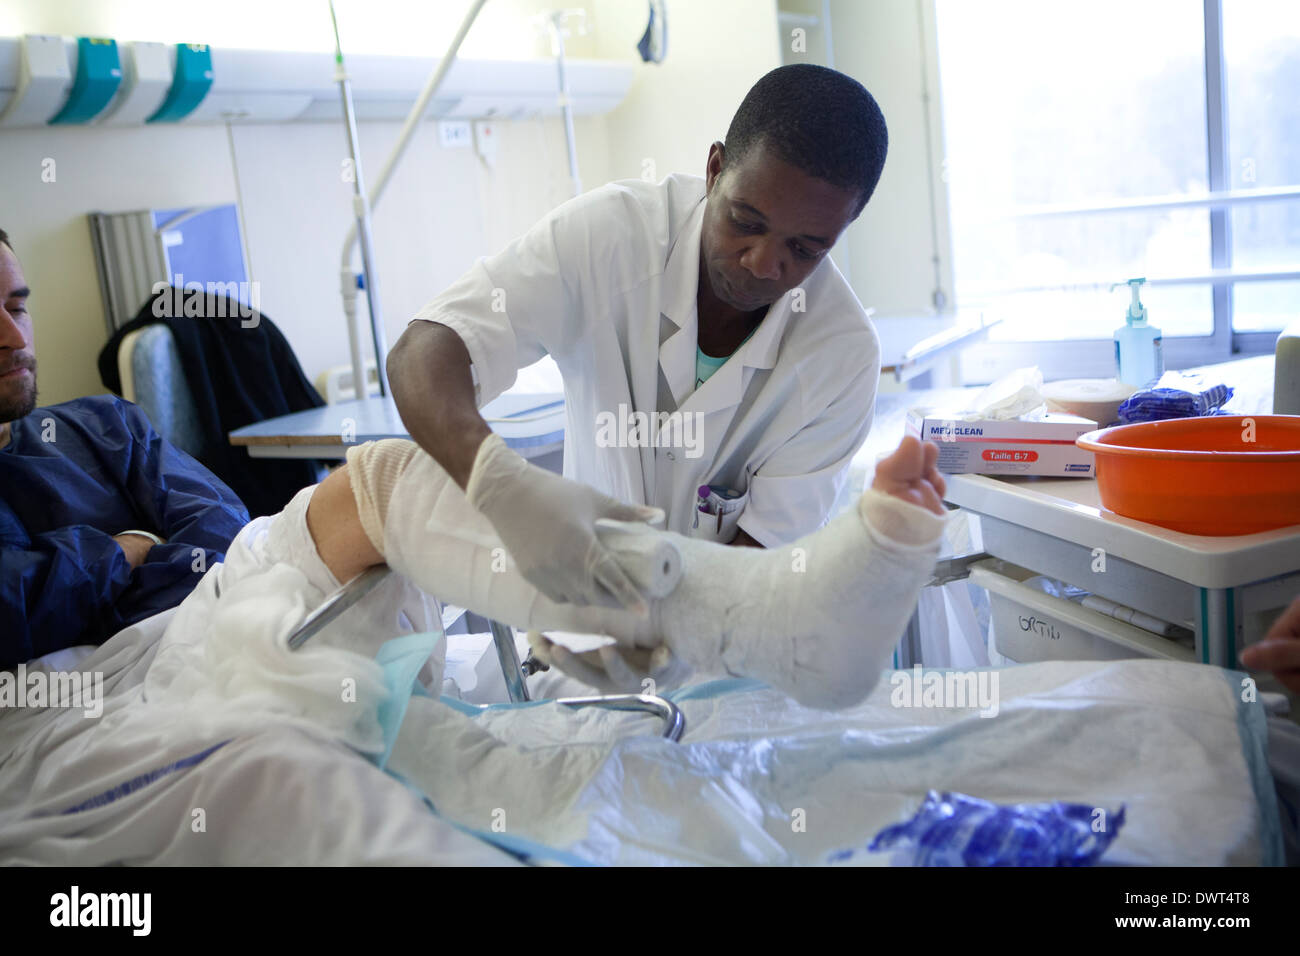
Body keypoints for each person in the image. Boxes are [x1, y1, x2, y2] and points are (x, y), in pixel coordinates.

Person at [387, 63, 890, 619]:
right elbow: (427, 348)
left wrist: (671, 635)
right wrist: (497, 485)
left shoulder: (841, 356)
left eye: (805, 249)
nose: (763, 263)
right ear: (716, 169)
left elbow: (764, 557)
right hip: (579, 633)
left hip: (725, 654)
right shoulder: (609, 239)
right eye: (745, 221)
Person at [0, 227, 248, 669]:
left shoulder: (107, 426)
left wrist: (93, 600)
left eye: (17, 308)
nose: (15, 339)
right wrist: (125, 550)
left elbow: (222, 526)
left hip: (217, 646)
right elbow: (13, 612)